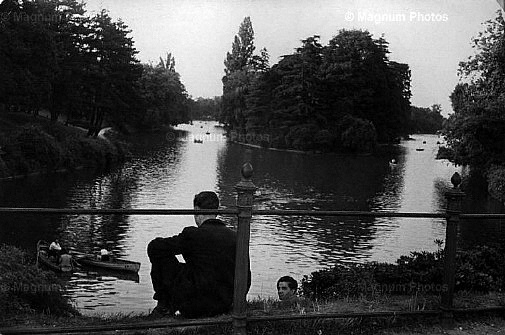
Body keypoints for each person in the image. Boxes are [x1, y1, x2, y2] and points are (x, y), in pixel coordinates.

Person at [147, 191, 251, 318]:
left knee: (160, 253)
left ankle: (164, 306)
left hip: (196, 305)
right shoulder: (235, 236)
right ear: (217, 211)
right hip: (225, 303)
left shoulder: (193, 235)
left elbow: (154, 247)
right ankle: (166, 306)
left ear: (196, 210)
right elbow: (246, 275)